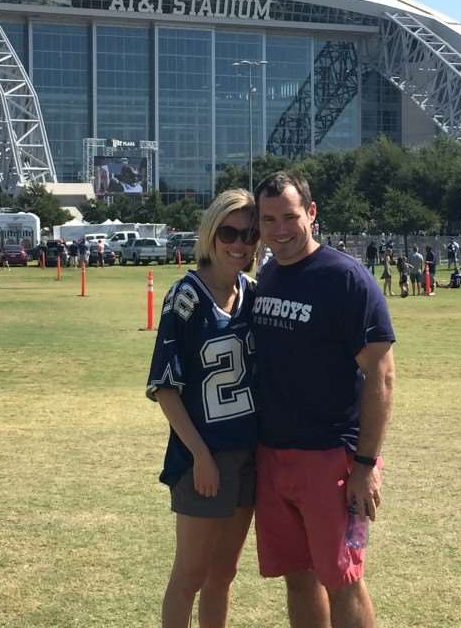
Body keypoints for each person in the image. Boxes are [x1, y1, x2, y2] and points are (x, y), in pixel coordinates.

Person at [252, 171, 396, 628]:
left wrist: (365, 464)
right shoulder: (270, 274)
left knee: (343, 579)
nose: (279, 229)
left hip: (331, 458)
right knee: (297, 577)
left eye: (290, 217)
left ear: (311, 214)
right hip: (273, 455)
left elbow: (382, 373)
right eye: (268, 219)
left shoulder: (344, 278)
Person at [146, 189, 259, 628]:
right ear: (211, 234)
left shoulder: (252, 293)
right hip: (205, 458)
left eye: (249, 234)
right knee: (189, 574)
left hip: (249, 455)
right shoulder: (186, 298)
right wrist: (201, 456)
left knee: (223, 574)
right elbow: (166, 388)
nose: (239, 244)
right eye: (229, 232)